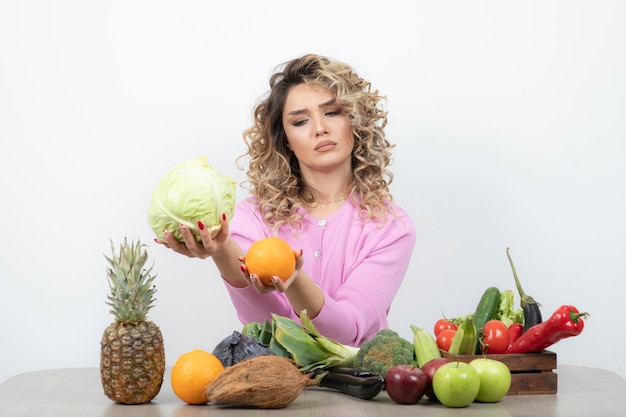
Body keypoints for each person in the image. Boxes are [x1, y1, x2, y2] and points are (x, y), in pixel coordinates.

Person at [157, 54, 416, 347]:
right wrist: (221, 250)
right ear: (286, 140)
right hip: (277, 385)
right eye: (301, 121)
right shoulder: (253, 216)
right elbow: (265, 328)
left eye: (332, 112)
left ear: (355, 122)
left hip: (356, 387)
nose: (319, 128)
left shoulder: (389, 227)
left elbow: (348, 331)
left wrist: (293, 278)